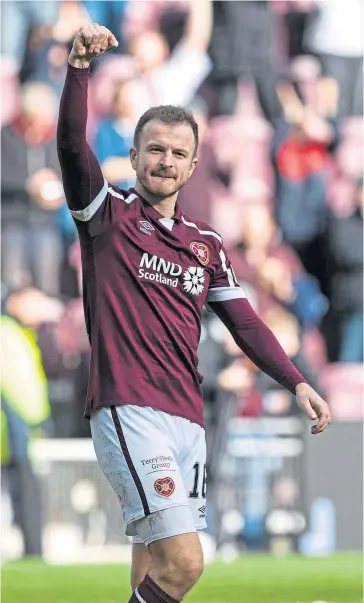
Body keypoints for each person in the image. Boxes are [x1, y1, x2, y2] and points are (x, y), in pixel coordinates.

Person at [57, 24, 331, 603]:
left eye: (179, 153)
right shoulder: (106, 218)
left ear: (193, 165)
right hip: (129, 408)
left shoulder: (206, 244)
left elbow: (247, 323)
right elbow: (70, 146)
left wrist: (297, 381)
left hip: (188, 420)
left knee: (153, 561)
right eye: (154, 148)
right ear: (133, 155)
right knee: (185, 564)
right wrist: (78, 69)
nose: (165, 160)